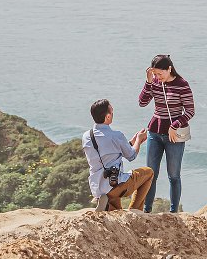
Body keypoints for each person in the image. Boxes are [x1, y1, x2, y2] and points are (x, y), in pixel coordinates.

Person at [138, 54, 195, 213]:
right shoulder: (154, 82)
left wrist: (174, 125)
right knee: (150, 174)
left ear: (169, 69)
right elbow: (142, 103)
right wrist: (148, 82)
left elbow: (190, 111)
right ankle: (146, 211)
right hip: (154, 132)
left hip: (174, 136)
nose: (158, 77)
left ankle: (173, 213)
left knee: (173, 175)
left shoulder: (182, 84)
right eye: (155, 74)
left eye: (160, 74)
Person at [82, 99, 153, 211]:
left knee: (116, 210)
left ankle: (107, 203)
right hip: (115, 184)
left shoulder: (87, 136)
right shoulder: (116, 135)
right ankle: (135, 210)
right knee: (148, 172)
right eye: (112, 111)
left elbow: (109, 151)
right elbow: (131, 156)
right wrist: (138, 141)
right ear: (107, 117)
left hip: (98, 186)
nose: (113, 113)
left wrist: (131, 142)